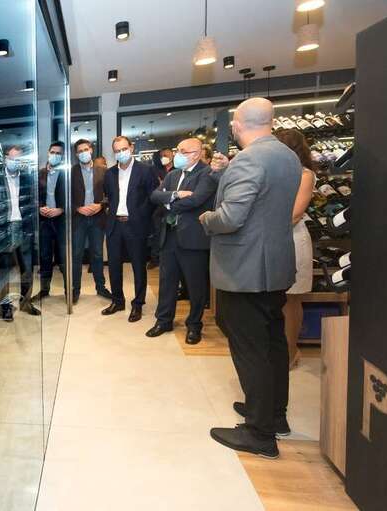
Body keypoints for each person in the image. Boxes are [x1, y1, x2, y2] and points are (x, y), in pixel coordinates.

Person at [199, 97, 301, 459]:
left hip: (245, 269)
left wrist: (207, 220)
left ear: (238, 125)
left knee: (250, 348)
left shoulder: (249, 159)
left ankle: (259, 434)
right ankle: (274, 415)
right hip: (274, 265)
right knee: (273, 343)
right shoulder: (287, 156)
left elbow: (230, 217)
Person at [146, 138, 217, 343]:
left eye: (183, 151)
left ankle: (194, 325)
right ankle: (164, 320)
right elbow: (154, 196)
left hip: (193, 238)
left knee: (195, 285)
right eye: (178, 150)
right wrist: (176, 195)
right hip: (169, 235)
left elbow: (196, 200)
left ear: (197, 153)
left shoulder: (207, 173)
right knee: (167, 282)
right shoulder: (173, 174)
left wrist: (169, 203)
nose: (178, 154)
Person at [101, 135, 159, 322]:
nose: (121, 153)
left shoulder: (146, 170)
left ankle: (138, 303)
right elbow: (109, 197)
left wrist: (141, 216)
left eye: (124, 149)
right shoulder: (109, 174)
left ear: (131, 148)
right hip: (114, 225)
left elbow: (153, 198)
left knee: (138, 266)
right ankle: (118, 301)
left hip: (136, 225)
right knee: (113, 266)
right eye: (117, 151)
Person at [274, 129, 317, 368]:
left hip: (292, 241)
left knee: (291, 301)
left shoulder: (305, 175)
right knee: (275, 301)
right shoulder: (273, 173)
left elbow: (295, 214)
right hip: (271, 240)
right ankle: (278, 351)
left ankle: (290, 353)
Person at [0, 145, 40, 320]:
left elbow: (33, 202)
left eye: (18, 159)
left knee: (27, 268)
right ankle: (5, 306)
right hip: (4, 228)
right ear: (5, 159)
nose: (14, 162)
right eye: (11, 158)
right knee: (5, 269)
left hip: (24, 226)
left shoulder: (28, 179)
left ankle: (26, 302)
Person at [71, 139, 112, 303]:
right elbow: (65, 196)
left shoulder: (103, 171)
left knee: (97, 254)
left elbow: (111, 194)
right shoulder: (71, 172)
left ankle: (100, 287)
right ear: (76, 154)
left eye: (85, 149)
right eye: (80, 151)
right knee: (76, 254)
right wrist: (77, 208)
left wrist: (101, 205)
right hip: (78, 218)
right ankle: (75, 289)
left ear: (91, 150)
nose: (83, 153)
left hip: (97, 218)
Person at [35, 141, 67, 300]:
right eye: (53, 152)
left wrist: (61, 209)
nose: (55, 155)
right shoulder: (39, 174)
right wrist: (39, 208)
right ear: (48, 153)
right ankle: (44, 290)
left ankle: (69, 292)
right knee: (45, 257)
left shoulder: (66, 174)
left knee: (64, 257)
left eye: (58, 153)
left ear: (62, 156)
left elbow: (73, 197)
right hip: (44, 221)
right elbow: (33, 196)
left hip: (62, 220)